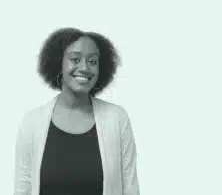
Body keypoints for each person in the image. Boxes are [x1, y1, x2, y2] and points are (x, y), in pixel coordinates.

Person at [13, 27, 140, 195]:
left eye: (93, 61)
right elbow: (23, 189)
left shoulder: (117, 119)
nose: (84, 67)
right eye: (75, 59)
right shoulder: (32, 122)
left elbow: (130, 188)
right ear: (59, 63)